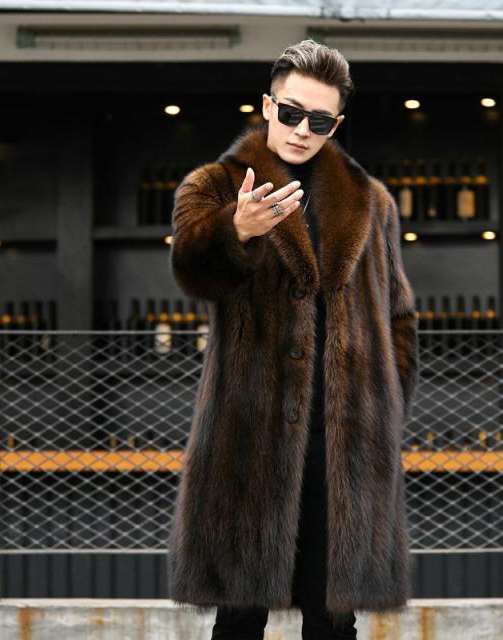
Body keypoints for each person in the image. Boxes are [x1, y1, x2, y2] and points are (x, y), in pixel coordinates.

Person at [167, 39, 419, 639]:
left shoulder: (371, 202)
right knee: (239, 616)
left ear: (337, 124)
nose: (303, 130)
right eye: (291, 113)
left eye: (320, 120)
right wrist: (236, 231)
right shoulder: (214, 185)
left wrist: (384, 407)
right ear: (267, 106)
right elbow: (192, 272)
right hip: (249, 435)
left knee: (333, 619)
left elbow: (399, 314)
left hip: (345, 440)